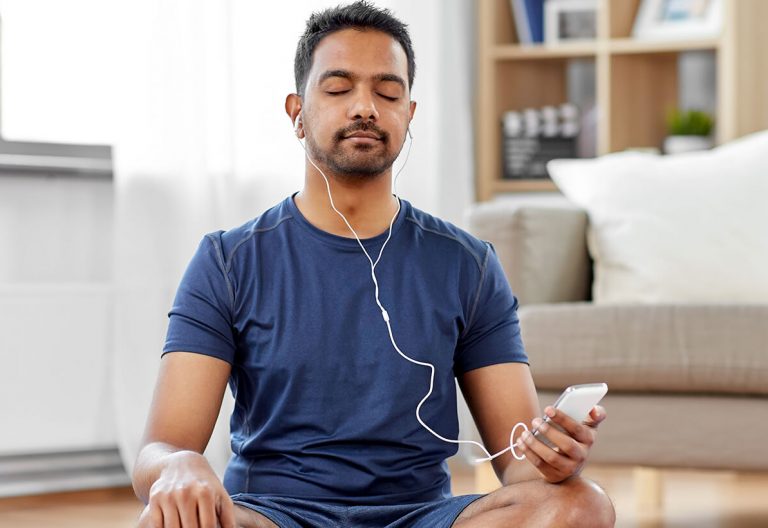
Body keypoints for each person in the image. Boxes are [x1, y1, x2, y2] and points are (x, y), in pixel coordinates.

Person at [133, 2, 616, 527]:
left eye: (387, 92)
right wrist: (179, 464)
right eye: (338, 89)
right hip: (273, 516)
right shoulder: (228, 260)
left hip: (419, 517)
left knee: (581, 504)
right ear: (297, 112)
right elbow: (160, 447)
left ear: (409, 113)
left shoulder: (467, 264)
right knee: (162, 523)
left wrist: (553, 457)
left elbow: (519, 470)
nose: (365, 107)